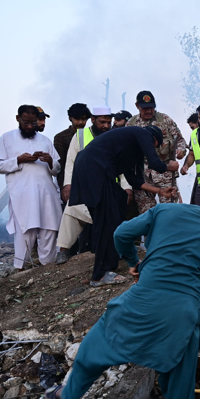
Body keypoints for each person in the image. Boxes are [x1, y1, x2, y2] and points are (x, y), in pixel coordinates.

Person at [45, 190, 200, 399]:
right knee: (181, 375)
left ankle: (69, 395)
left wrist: (134, 262)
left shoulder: (165, 210)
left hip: (143, 297)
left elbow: (121, 234)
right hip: (184, 310)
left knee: (99, 341)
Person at [69, 125, 177, 286]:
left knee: (117, 205)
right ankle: (100, 274)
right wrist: (170, 166)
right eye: (153, 146)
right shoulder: (143, 133)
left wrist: (160, 191)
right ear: (154, 140)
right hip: (96, 168)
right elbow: (155, 163)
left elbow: (134, 180)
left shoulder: (131, 148)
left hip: (90, 168)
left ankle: (112, 259)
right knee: (107, 220)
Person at [55, 107, 132, 265]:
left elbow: (121, 166)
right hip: (85, 186)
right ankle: (63, 251)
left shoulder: (114, 137)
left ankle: (116, 253)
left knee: (112, 222)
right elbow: (70, 162)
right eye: (102, 122)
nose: (105, 126)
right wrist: (68, 185)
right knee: (71, 212)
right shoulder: (80, 135)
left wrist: (126, 186)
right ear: (93, 120)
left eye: (108, 122)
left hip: (109, 188)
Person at [0, 105, 63, 269]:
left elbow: (57, 168)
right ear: (18, 119)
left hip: (46, 192)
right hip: (22, 194)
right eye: (26, 122)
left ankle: (48, 268)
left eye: (33, 123)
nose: (30, 126)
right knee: (25, 230)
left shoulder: (45, 140)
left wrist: (50, 161)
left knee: (49, 229)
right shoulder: (6, 138)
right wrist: (18, 160)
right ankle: (20, 269)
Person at [126, 90, 187, 212]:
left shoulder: (165, 120)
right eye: (145, 108)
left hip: (165, 173)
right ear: (137, 106)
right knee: (146, 212)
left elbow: (180, 140)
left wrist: (180, 151)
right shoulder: (131, 125)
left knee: (169, 211)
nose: (149, 111)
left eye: (151, 108)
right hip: (143, 175)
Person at [53, 103, 92, 188]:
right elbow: (61, 164)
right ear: (70, 118)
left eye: (83, 119)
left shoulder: (90, 135)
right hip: (70, 183)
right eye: (77, 119)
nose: (80, 122)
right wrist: (64, 187)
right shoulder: (61, 137)